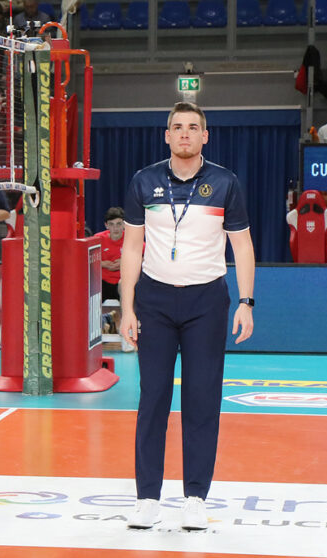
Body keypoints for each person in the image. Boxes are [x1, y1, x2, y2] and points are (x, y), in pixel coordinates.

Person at [118, 102, 255, 531]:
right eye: (177, 127)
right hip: (155, 302)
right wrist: (126, 308)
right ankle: (147, 499)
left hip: (206, 303)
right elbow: (130, 248)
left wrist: (247, 301)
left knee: (202, 399)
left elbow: (243, 246)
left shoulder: (225, 182)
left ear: (205, 136)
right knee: (153, 397)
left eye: (193, 127)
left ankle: (195, 496)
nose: (184, 134)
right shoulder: (144, 181)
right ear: (166, 135)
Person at [94, 207, 125, 301]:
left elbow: (145, 257)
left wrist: (125, 262)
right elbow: (84, 259)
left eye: (119, 224)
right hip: (102, 283)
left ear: (124, 224)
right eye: (111, 224)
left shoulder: (130, 239)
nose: (115, 228)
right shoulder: (97, 238)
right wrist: (102, 264)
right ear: (106, 225)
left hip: (123, 281)